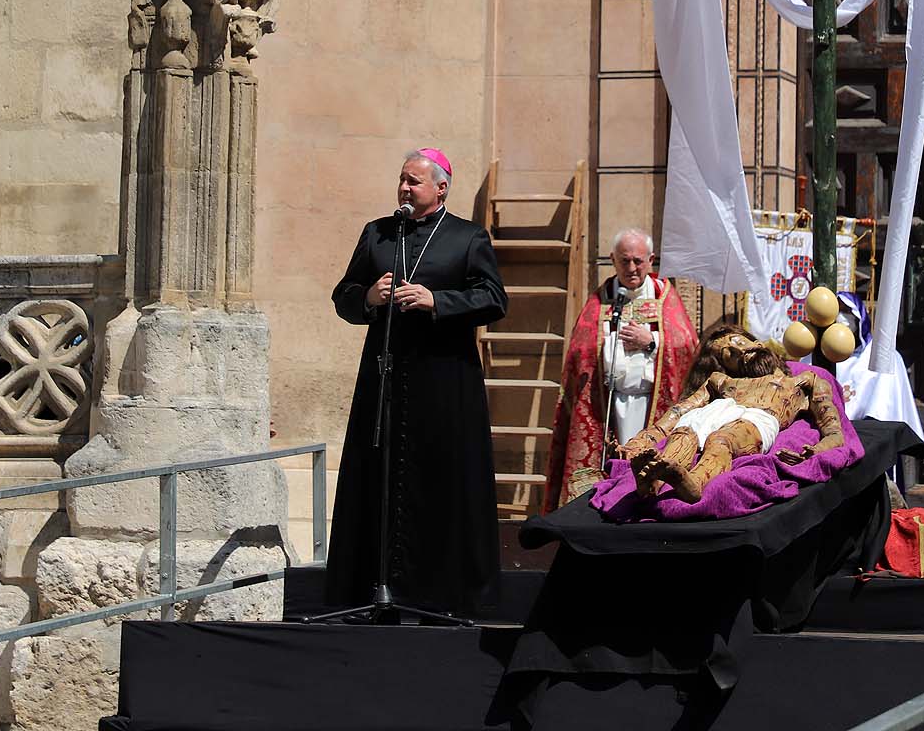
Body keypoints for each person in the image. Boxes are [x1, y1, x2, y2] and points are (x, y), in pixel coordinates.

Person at [325, 148, 508, 617]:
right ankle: (373, 592)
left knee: (441, 486)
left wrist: (437, 301)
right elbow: (343, 295)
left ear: (441, 188)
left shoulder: (468, 237)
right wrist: (368, 296)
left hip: (445, 384)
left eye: (415, 182)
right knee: (378, 481)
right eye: (402, 180)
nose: (405, 189)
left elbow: (493, 298)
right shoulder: (379, 234)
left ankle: (442, 596)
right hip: (384, 380)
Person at [543, 228, 698, 509]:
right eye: (624, 261)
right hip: (608, 408)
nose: (631, 268)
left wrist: (652, 341)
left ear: (651, 260)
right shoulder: (599, 301)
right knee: (612, 468)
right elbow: (580, 352)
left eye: (638, 261)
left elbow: (687, 346)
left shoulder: (665, 298)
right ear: (613, 259)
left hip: (652, 406)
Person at [622, 324, 845, 503]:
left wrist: (816, 451)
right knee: (686, 431)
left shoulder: (803, 381)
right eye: (729, 353)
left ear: (755, 341)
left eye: (738, 342)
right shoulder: (721, 382)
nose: (740, 351)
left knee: (722, 438)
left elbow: (834, 432)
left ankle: (693, 484)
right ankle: (653, 483)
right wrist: (639, 442)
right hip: (719, 412)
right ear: (724, 366)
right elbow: (678, 412)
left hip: (756, 419)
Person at [829, 291, 922, 489]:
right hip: (834, 443)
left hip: (875, 442)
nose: (841, 317)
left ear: (859, 316)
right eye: (836, 311)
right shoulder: (821, 356)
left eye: (847, 311)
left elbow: (888, 406)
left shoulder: (882, 355)